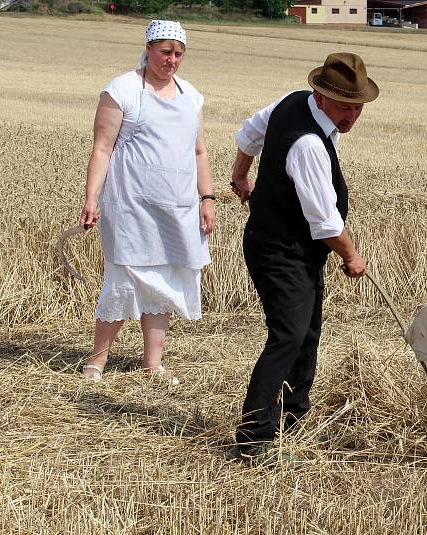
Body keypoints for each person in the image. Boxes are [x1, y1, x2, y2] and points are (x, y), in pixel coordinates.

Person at [229, 53, 377, 459]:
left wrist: (241, 175)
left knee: (307, 332)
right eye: (345, 106)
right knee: (289, 335)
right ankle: (254, 434)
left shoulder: (293, 101)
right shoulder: (308, 143)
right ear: (320, 95)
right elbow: (325, 221)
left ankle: (293, 419)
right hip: (278, 249)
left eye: (357, 107)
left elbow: (248, 136)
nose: (351, 116)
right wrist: (352, 256)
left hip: (296, 248)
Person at [78, 20, 216, 383]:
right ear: (149, 48)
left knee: (165, 282)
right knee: (122, 279)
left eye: (178, 54)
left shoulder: (191, 96)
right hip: (130, 207)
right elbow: (102, 147)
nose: (171, 60)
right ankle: (97, 361)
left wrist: (207, 198)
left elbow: (199, 151)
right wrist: (92, 198)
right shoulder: (122, 89)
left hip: (178, 209)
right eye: (165, 52)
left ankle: (152, 364)